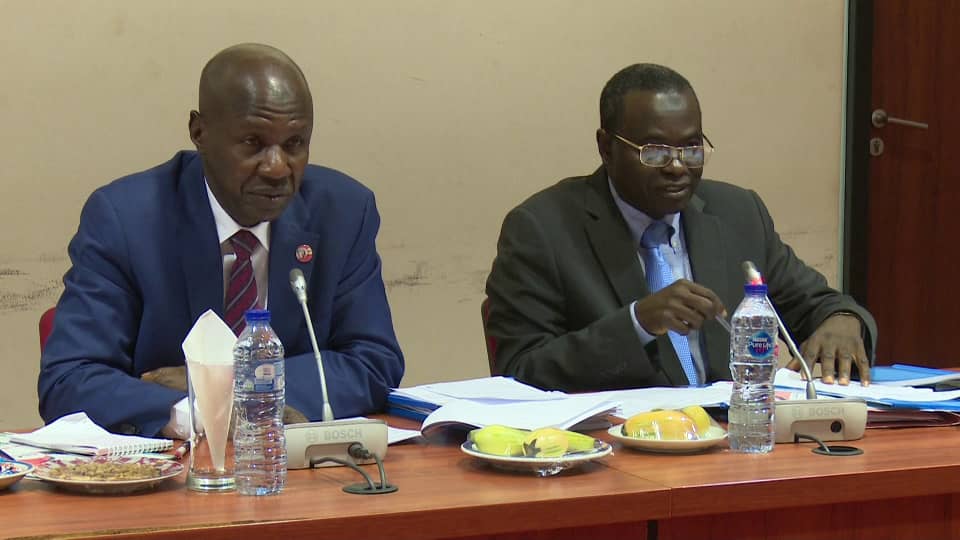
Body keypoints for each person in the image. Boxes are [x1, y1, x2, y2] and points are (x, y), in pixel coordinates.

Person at [38, 43, 404, 437]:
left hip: (297, 468)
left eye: (295, 144)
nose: (277, 167)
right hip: (169, 476)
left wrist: (232, 386)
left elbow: (374, 363)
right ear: (200, 132)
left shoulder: (343, 212)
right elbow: (69, 380)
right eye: (253, 143)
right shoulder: (127, 219)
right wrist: (198, 414)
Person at [484, 63, 876, 393]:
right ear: (606, 148)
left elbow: (816, 303)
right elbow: (520, 371)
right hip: (615, 455)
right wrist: (638, 323)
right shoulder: (542, 229)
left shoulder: (738, 213)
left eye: (691, 149)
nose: (677, 167)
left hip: (733, 445)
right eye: (654, 152)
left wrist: (843, 320)